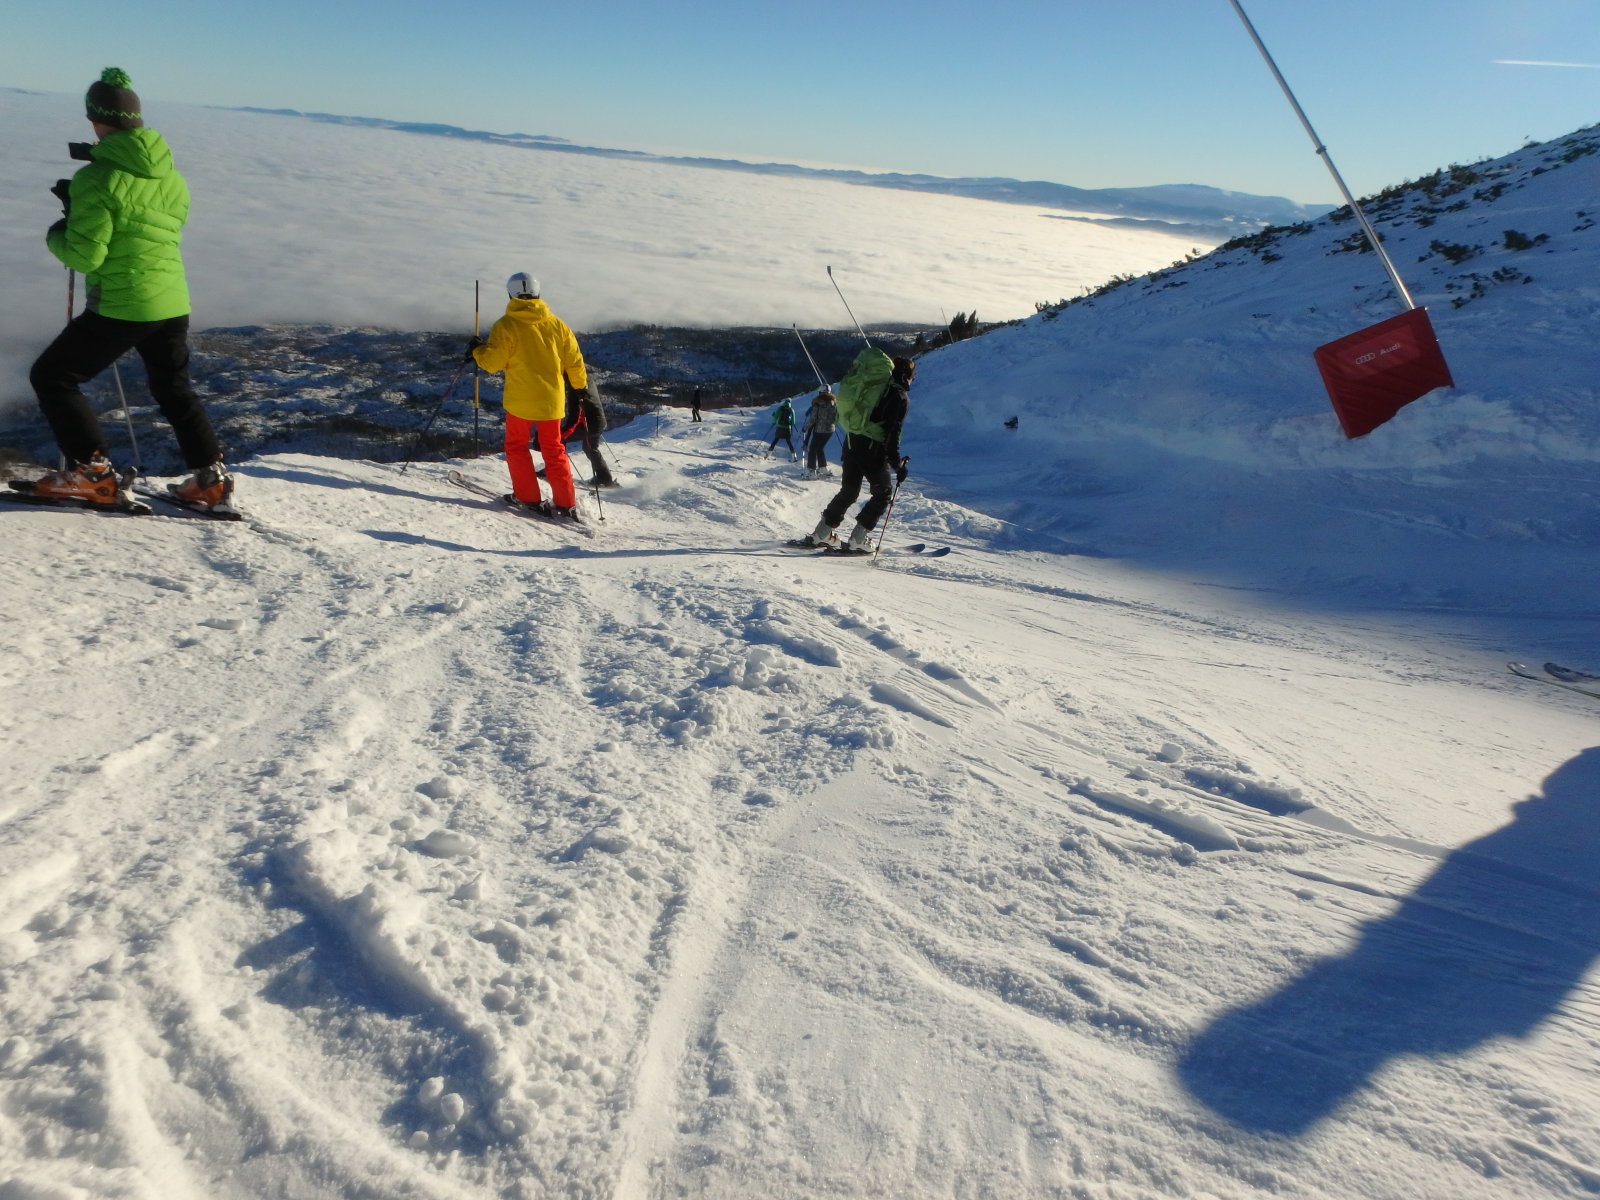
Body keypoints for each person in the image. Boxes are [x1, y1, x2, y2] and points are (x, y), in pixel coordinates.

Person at [24, 68, 233, 513]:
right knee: (175, 390)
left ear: (97, 118)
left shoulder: (96, 179)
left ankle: (92, 475)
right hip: (173, 300)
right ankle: (211, 482)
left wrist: (62, 225)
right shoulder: (172, 178)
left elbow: (85, 257)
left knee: (54, 377)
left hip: (124, 302)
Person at [468, 273, 588, 520]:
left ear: (511, 294)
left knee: (516, 447)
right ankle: (566, 503)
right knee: (553, 449)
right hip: (551, 400)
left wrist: (477, 351)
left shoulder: (506, 325)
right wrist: (580, 387)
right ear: (538, 292)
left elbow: (492, 362)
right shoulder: (557, 324)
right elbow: (574, 361)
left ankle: (528, 497)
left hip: (520, 400)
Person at [797, 351, 913, 551]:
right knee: (883, 493)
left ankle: (820, 534)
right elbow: (892, 434)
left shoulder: (875, 389)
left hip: (852, 441)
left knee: (849, 491)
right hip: (872, 449)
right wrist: (897, 465)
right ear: (906, 375)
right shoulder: (899, 397)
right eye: (912, 374)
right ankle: (858, 540)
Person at [561, 382, 616, 488]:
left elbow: (574, 417)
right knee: (589, 447)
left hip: (592, 422)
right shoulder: (585, 379)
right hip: (596, 420)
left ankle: (604, 478)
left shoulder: (575, 388)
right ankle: (604, 477)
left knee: (590, 447)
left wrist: (562, 435)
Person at [801, 388, 836, 477]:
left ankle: (811, 471)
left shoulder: (817, 403)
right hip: (830, 430)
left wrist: (805, 428)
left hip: (819, 430)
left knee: (812, 449)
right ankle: (822, 468)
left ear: (820, 392)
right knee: (820, 448)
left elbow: (813, 419)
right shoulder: (833, 403)